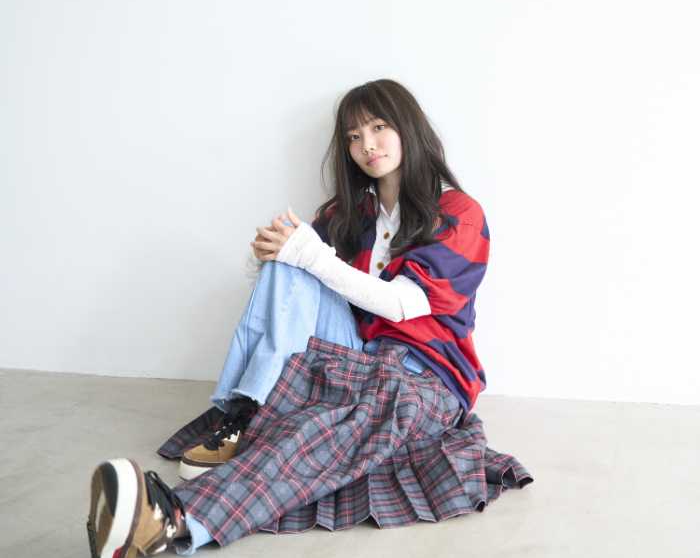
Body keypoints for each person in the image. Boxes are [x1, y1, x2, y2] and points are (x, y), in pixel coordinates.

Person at [86, 79, 534, 557]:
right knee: (288, 260)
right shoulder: (350, 212)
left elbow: (404, 304)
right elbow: (295, 285)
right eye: (354, 137)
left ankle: (173, 522)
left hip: (424, 373)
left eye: (378, 128)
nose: (367, 145)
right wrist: (271, 255)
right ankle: (246, 411)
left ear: (408, 128)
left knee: (333, 426)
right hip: (357, 351)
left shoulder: (460, 213)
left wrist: (311, 255)